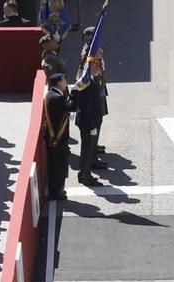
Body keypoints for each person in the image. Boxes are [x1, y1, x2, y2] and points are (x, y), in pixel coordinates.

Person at [72, 47, 109, 184]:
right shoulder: (86, 80)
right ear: (91, 64)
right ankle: (85, 176)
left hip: (92, 118)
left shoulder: (92, 78)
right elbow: (86, 104)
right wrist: (92, 124)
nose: (99, 67)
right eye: (96, 64)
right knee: (86, 150)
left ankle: (85, 173)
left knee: (88, 149)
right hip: (88, 121)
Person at [41, 69, 71, 203]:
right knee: (58, 165)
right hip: (57, 137)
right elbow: (71, 107)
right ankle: (56, 191)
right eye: (64, 80)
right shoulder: (58, 97)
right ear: (59, 83)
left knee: (56, 164)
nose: (66, 83)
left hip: (53, 136)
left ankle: (57, 189)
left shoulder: (51, 94)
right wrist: (76, 92)